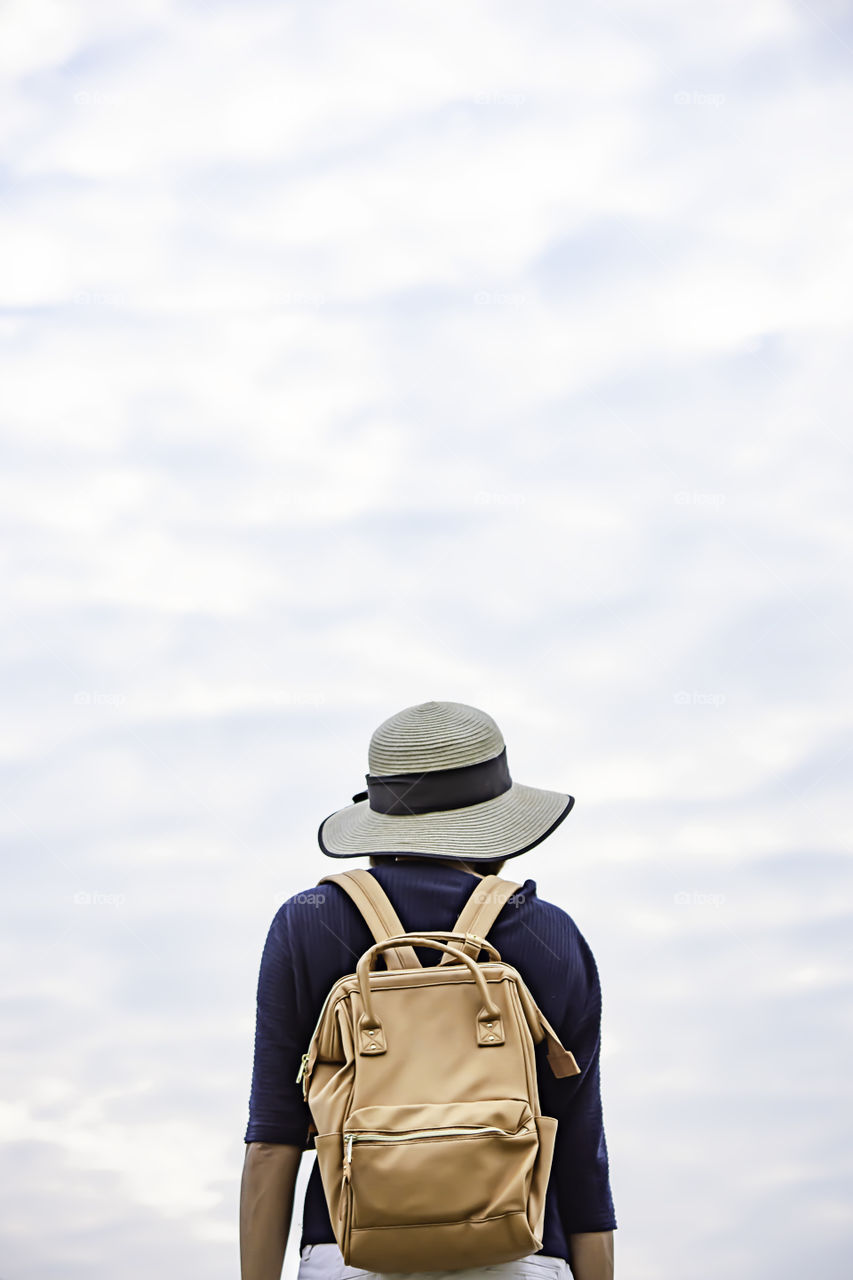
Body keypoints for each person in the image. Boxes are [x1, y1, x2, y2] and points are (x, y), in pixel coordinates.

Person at [240, 701, 616, 1280]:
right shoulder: (552, 935)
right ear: (497, 824)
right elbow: (582, 1158)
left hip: (349, 1254)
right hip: (521, 1254)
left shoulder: (308, 920)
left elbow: (272, 1141)